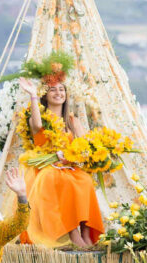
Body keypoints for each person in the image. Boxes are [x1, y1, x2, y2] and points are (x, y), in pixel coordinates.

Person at [16, 57, 104, 249]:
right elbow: (37, 126)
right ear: (45, 95)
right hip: (46, 168)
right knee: (58, 180)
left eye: (61, 89)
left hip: (69, 167)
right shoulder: (38, 117)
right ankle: (72, 233)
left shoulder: (72, 121)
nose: (58, 93)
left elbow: (85, 147)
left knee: (84, 180)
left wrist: (76, 156)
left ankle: (86, 233)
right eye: (53, 89)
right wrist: (32, 94)